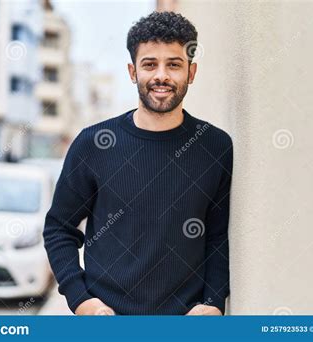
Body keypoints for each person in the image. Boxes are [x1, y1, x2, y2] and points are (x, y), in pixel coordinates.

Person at [43, 11, 233, 316]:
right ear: (133, 72)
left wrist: (212, 303)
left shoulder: (216, 146)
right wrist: (82, 300)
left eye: (174, 64)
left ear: (191, 72)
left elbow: (218, 236)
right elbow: (59, 228)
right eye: (149, 64)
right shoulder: (94, 144)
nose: (161, 75)